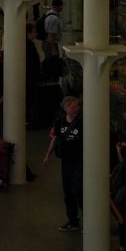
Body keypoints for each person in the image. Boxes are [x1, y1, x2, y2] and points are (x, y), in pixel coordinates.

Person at [42, 96, 83, 232]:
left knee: (78, 191)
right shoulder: (60, 122)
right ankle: (73, 221)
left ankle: (88, 218)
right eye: (73, 107)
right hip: (66, 162)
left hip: (79, 161)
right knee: (68, 192)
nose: (76, 109)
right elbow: (55, 139)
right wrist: (48, 155)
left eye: (77, 106)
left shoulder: (82, 121)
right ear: (65, 108)